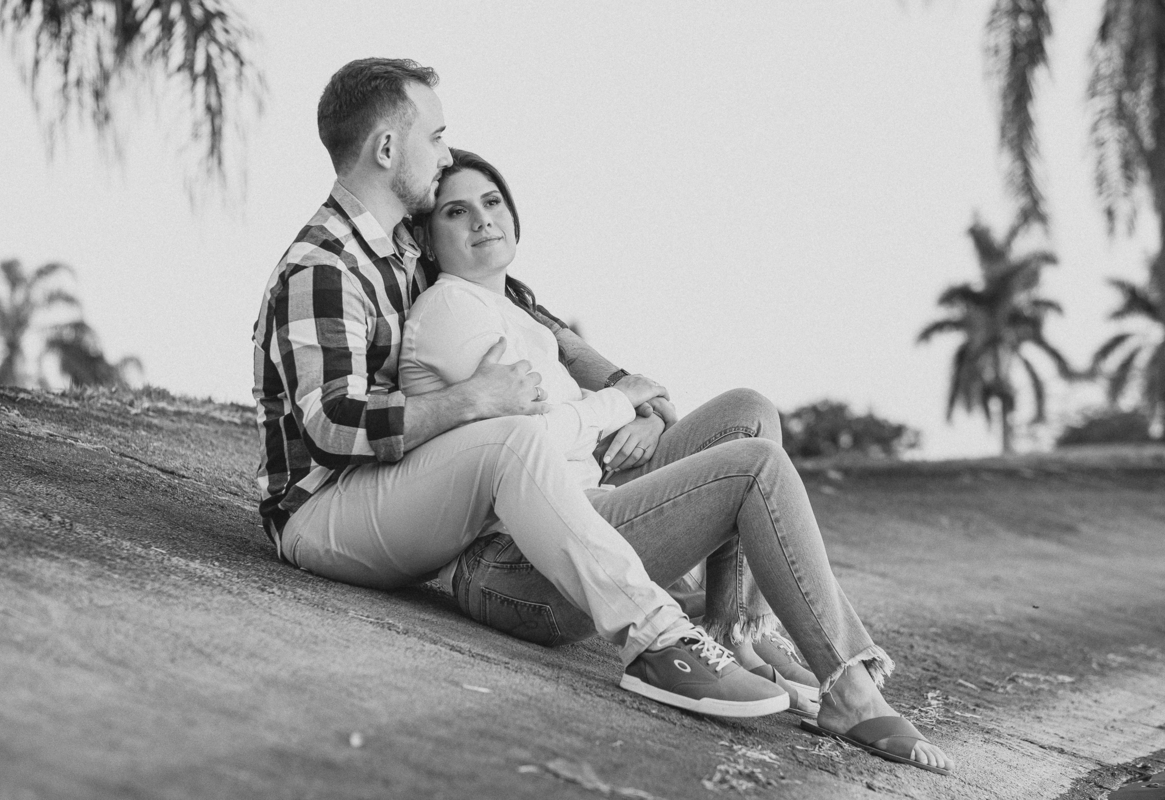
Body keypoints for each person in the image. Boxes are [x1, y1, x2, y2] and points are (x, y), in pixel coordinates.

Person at [252, 57, 789, 722]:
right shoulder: (325, 264)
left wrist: (626, 389)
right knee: (510, 437)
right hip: (323, 509)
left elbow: (534, 317)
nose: (445, 153)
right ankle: (659, 643)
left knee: (718, 420)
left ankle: (732, 628)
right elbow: (331, 427)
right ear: (387, 149)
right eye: (436, 136)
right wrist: (473, 400)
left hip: (392, 487)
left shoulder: (403, 252)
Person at [397, 148, 954, 774]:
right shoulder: (451, 310)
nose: (482, 219)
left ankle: (732, 633)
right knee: (754, 467)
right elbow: (517, 453)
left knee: (747, 412)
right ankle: (850, 693)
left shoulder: (516, 315)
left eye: (492, 201)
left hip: (582, 510)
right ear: (427, 238)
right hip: (515, 564)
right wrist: (618, 403)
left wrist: (638, 416)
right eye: (456, 212)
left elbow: (575, 426)